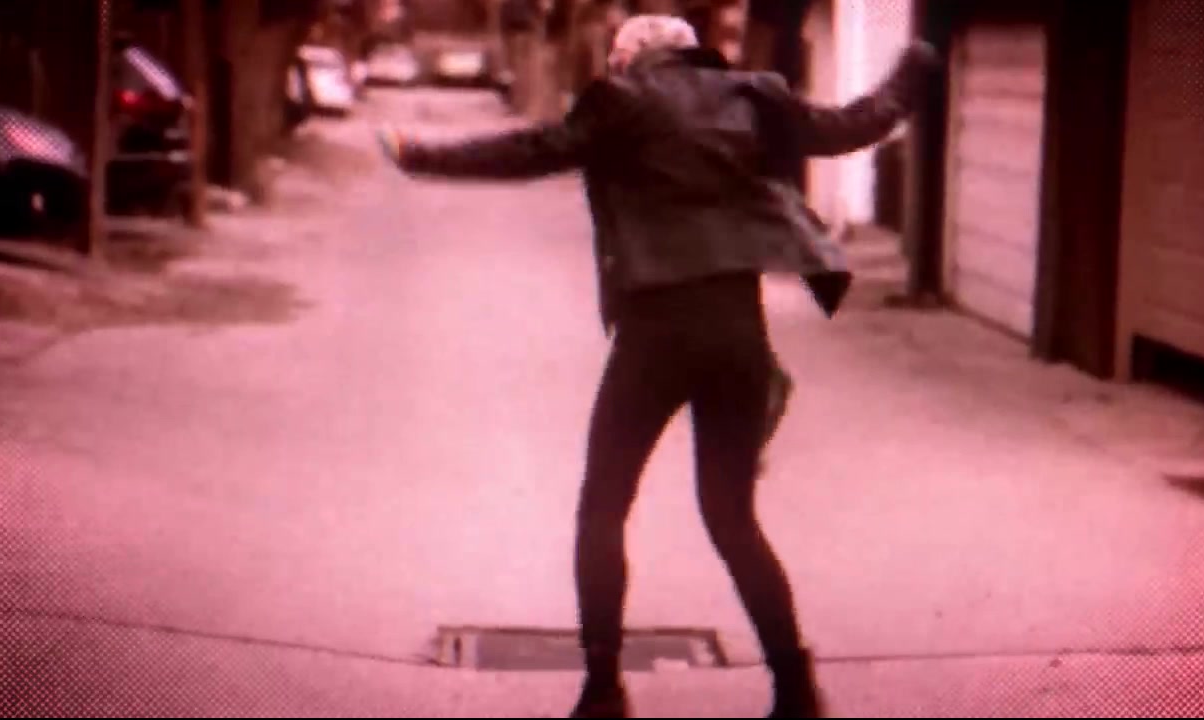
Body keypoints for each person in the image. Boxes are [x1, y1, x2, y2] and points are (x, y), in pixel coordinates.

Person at [377, 14, 938, 718]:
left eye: (617, 57)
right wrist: (913, 69)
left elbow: (532, 149)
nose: (613, 67)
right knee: (732, 518)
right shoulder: (754, 95)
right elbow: (854, 124)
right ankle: (796, 688)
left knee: (603, 509)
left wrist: (424, 156)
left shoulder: (623, 101)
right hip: (738, 332)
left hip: (656, 335)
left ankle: (603, 691)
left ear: (636, 56)